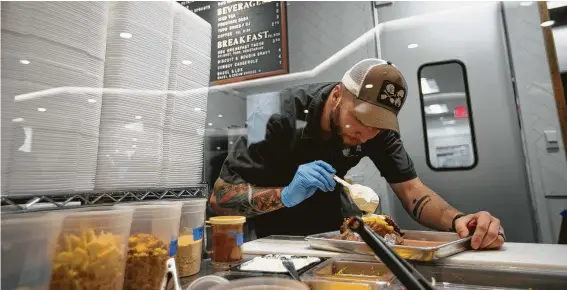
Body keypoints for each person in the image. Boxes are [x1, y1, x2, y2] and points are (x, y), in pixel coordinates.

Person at [209, 59, 505, 250]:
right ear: (337, 94)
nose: (367, 133)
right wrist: (286, 194)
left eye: (378, 125)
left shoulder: (377, 131)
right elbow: (220, 200)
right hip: (274, 239)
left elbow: (413, 191)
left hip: (334, 235)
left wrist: (459, 220)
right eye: (360, 119)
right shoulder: (272, 114)